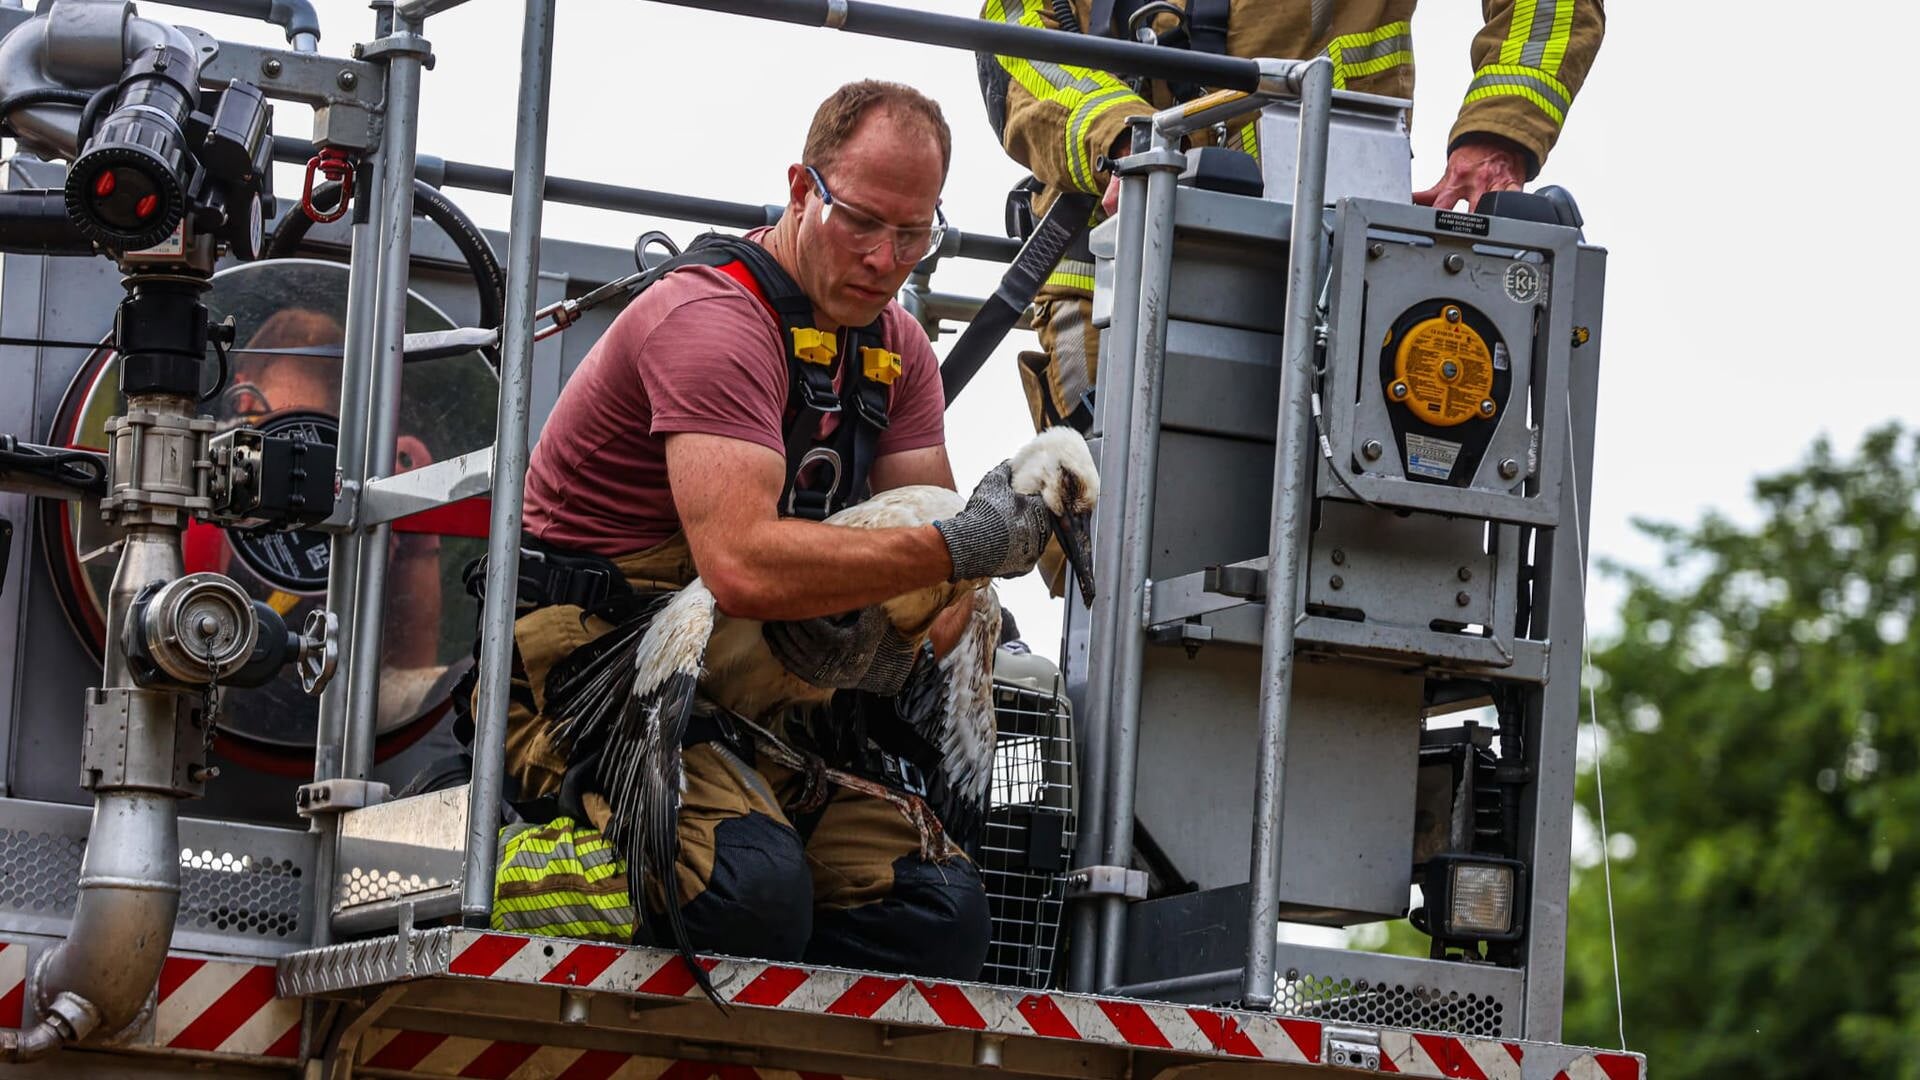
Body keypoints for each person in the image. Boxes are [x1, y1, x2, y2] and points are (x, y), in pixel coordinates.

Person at [485, 80, 1056, 979]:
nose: (885, 258)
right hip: (590, 691)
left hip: (754, 704)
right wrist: (958, 551)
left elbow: (941, 581)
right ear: (801, 189)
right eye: (862, 222)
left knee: (935, 914)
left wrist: (914, 616)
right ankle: (493, 872)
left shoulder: (896, 352)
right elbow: (745, 562)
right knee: (745, 895)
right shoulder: (712, 323)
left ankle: (749, 900)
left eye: (915, 235)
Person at [977, 0, 1604, 589]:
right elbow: (1017, 31)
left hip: (1347, 266)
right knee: (1114, 560)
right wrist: (1122, 138)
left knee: (1376, 566)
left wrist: (1500, 131)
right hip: (1119, 272)